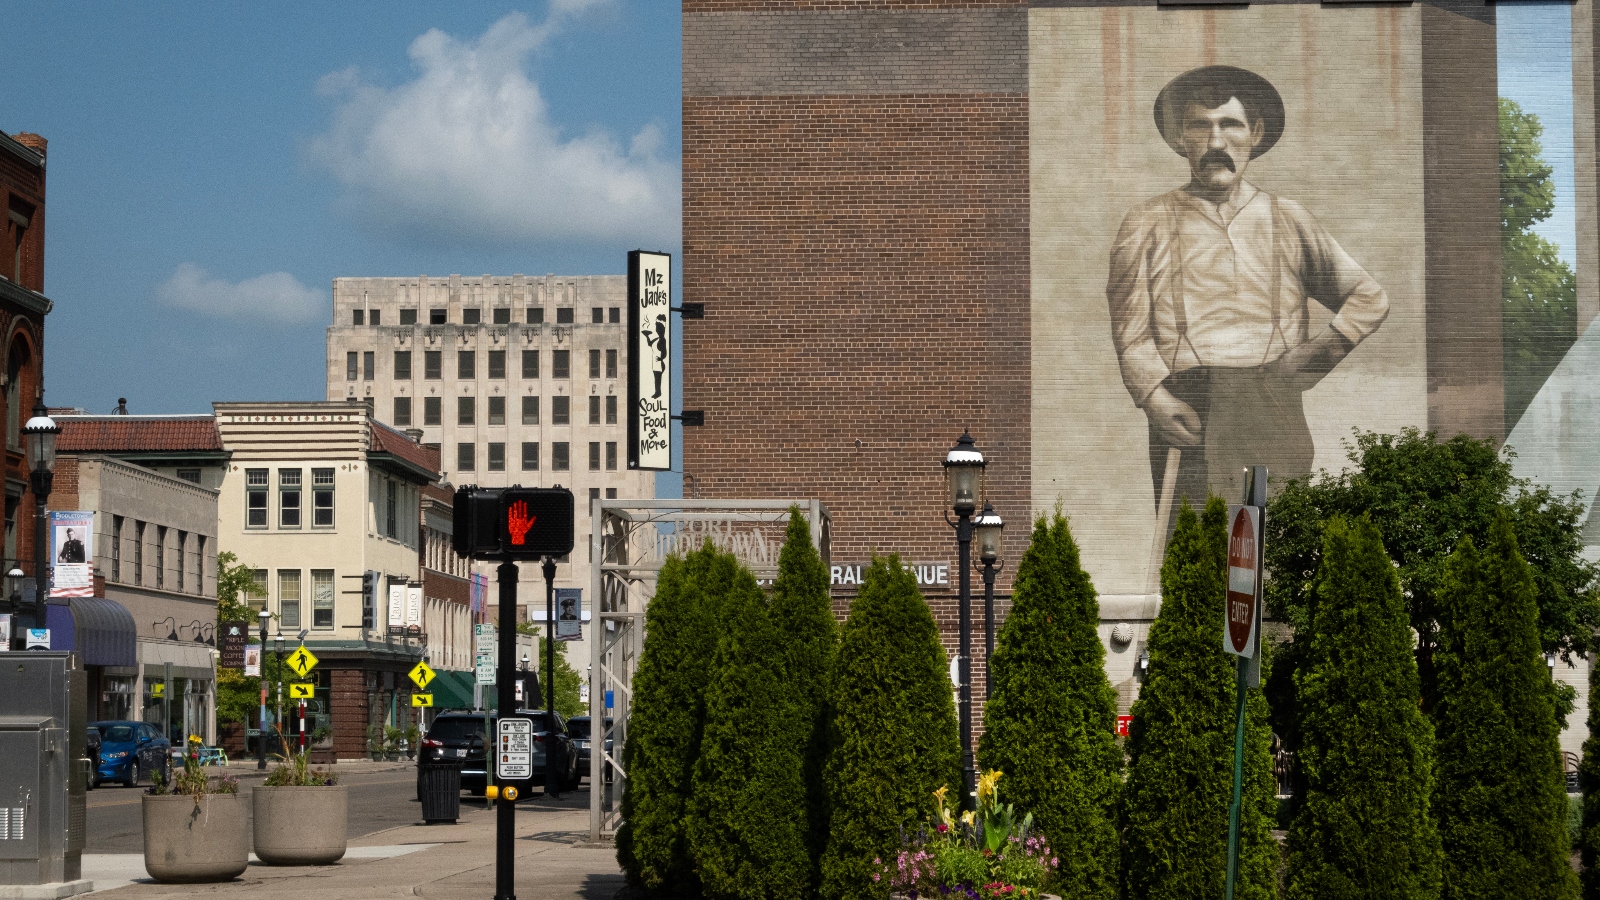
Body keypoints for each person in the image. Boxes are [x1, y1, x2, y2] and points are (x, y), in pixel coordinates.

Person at [1107, 65, 1389, 525]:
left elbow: (1368, 296)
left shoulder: (1289, 219)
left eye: (1230, 125)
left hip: (1272, 402)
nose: (1216, 143)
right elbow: (1130, 331)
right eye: (1201, 126)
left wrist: (1321, 352)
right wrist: (1155, 399)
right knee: (1196, 553)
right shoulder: (1146, 222)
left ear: (1255, 134)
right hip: (1189, 406)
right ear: (1181, 137)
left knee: (1273, 547)